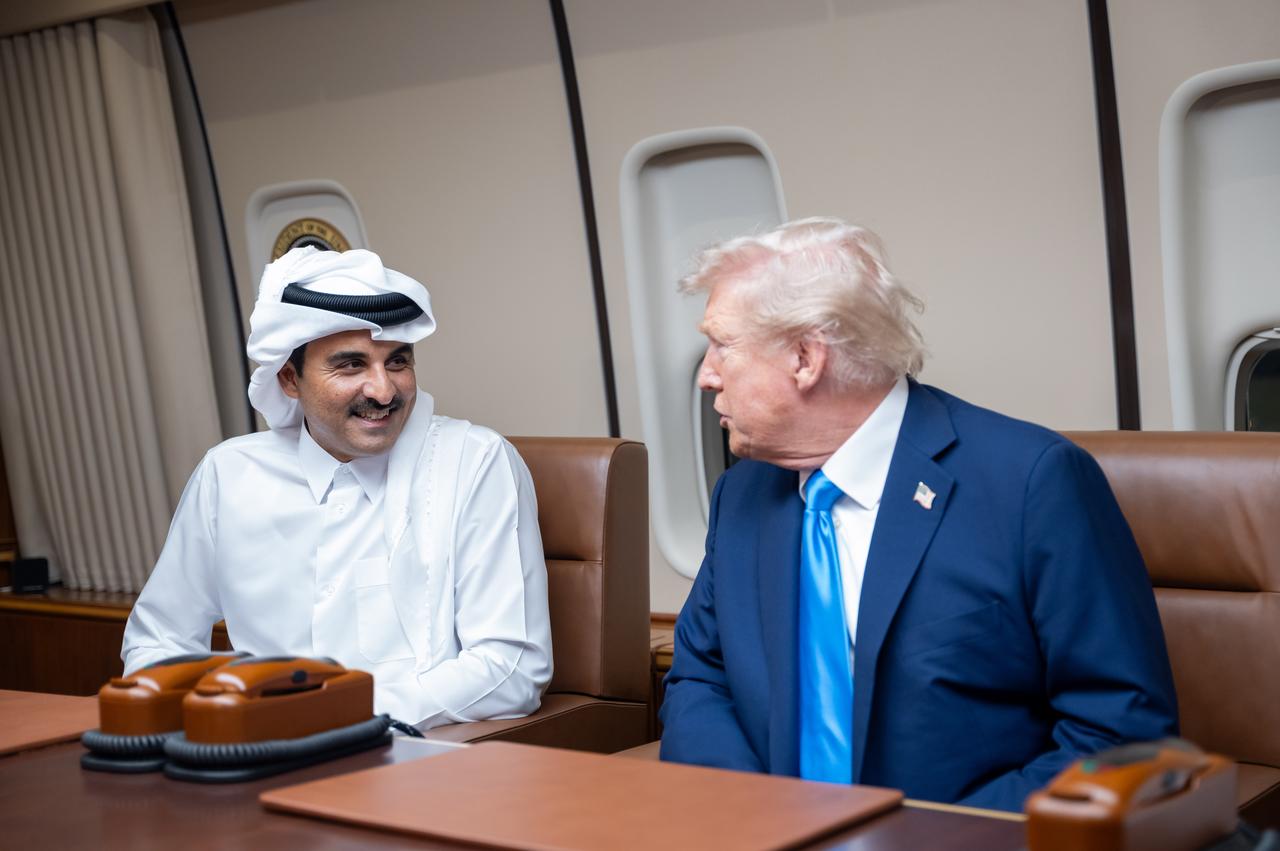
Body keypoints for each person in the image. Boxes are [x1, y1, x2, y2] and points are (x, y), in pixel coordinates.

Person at [658, 218, 1177, 812]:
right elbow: (700, 679)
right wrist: (756, 817)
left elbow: (1121, 736)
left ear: (805, 357)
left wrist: (936, 837)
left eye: (722, 344)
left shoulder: (1032, 484)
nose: (706, 375)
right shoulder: (743, 493)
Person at [122, 247, 552, 729]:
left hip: (421, 762)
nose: (383, 391)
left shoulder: (474, 462)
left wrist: (328, 717)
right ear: (289, 378)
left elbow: (510, 669)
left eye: (397, 362)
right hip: (253, 756)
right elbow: (159, 639)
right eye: (350, 365)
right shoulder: (230, 473)